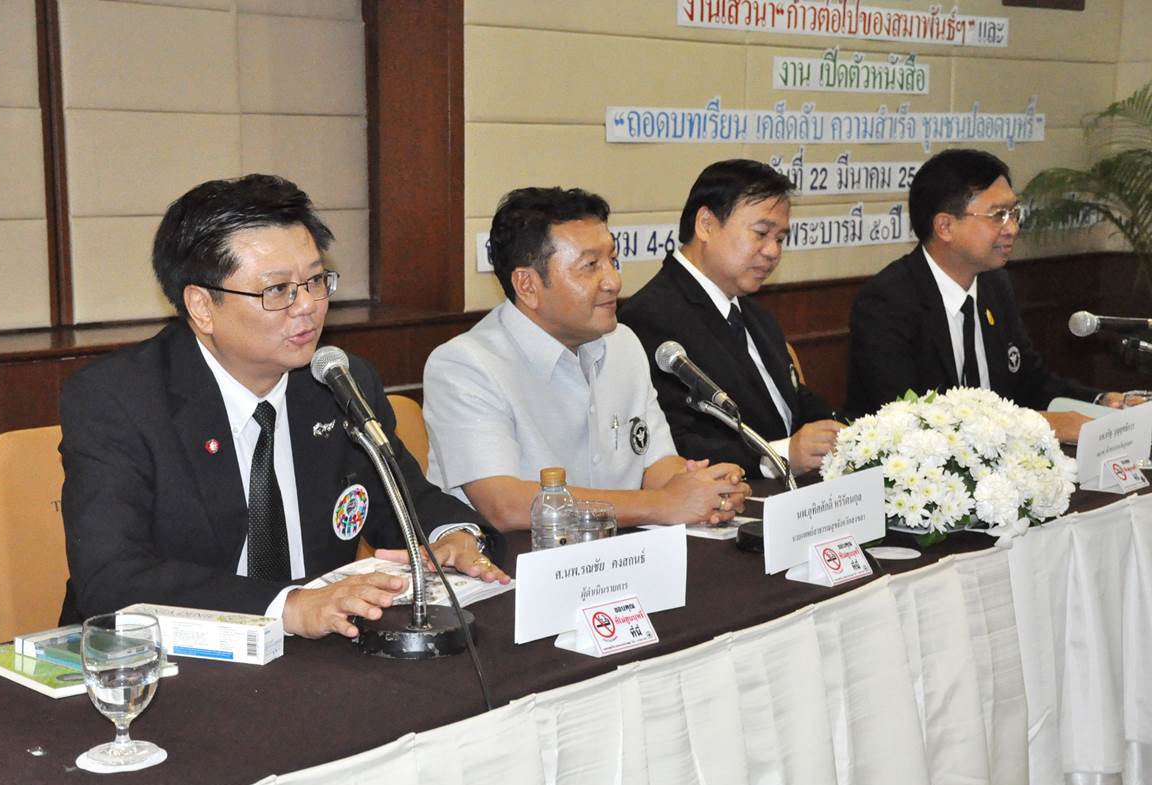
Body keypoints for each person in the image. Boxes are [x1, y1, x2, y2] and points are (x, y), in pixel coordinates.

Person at [59, 174, 508, 640]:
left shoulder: (337, 382)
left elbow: (404, 501)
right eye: (277, 290)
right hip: (167, 657)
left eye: (315, 280)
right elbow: (111, 578)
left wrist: (453, 537)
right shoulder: (118, 400)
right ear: (202, 306)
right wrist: (288, 607)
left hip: (319, 654)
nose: (308, 305)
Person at [423, 187, 750, 532]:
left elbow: (656, 464)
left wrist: (703, 489)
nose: (613, 281)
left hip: (620, 553)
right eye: (590, 266)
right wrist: (663, 504)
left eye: (612, 260)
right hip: (519, 558)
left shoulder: (623, 343)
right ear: (527, 285)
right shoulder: (465, 366)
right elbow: (503, 505)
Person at [845, 149, 1124, 441]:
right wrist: (1038, 423)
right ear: (945, 227)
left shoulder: (995, 285)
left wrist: (1101, 402)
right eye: (998, 215)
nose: (1012, 228)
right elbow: (909, 418)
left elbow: (1030, 382)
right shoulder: (887, 302)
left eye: (1014, 213)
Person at [620, 159, 842, 477]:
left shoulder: (754, 313)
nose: (773, 251)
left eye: (780, 239)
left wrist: (854, 434)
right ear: (706, 225)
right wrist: (779, 456)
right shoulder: (649, 318)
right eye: (761, 233)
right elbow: (673, 443)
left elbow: (792, 402)